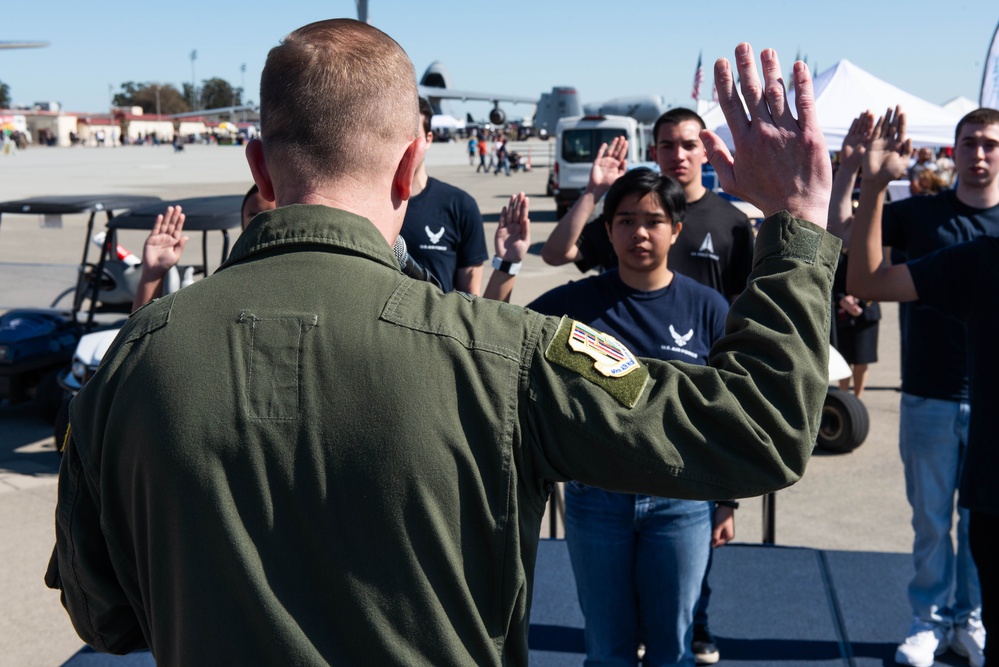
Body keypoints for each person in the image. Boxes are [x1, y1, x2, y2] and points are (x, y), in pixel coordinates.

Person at [46, 29, 839, 665]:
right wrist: (797, 224)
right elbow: (755, 429)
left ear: (258, 164)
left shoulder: (132, 360)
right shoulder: (501, 353)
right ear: (412, 166)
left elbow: (102, 614)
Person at [527, 168, 728, 666]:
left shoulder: (708, 308)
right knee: (608, 649)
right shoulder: (575, 306)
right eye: (626, 220)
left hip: (682, 499)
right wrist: (507, 262)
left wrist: (726, 500)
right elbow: (495, 331)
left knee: (672, 651)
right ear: (609, 229)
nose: (639, 232)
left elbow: (726, 413)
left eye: (654, 220)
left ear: (677, 229)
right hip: (596, 500)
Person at [830, 106, 998, 667]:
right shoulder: (924, 215)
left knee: (983, 524)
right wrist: (859, 179)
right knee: (931, 521)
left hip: (991, 409)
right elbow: (846, 251)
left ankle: (971, 620)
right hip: (931, 390)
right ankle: (928, 621)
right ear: (953, 150)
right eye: (969, 142)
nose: (980, 154)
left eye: (991, 144)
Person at [541, 108, 755, 303]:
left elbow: (740, 302)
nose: (678, 156)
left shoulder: (733, 222)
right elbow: (555, 254)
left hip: (702, 344)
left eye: (689, 146)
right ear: (654, 153)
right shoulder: (630, 217)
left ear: (706, 153)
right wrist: (593, 191)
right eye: (667, 146)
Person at [130, 185, 276, 311]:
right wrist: (153, 274)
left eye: (275, 215)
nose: (263, 225)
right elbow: (137, 334)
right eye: (254, 217)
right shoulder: (225, 285)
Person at [399, 98, 487, 294]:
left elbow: (470, 301)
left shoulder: (460, 206)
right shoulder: (368, 206)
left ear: (429, 139)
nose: (404, 144)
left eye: (413, 135)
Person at [828, 112, 881, 398]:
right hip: (841, 305)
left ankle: (855, 400)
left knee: (861, 359)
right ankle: (845, 398)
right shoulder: (840, 234)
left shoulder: (879, 234)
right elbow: (836, 223)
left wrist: (861, 299)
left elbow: (881, 268)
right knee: (842, 359)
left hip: (867, 308)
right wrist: (847, 167)